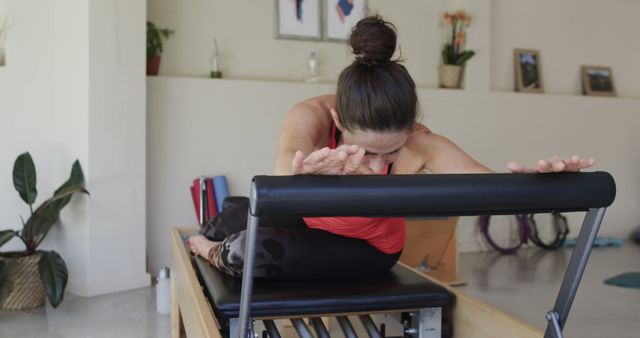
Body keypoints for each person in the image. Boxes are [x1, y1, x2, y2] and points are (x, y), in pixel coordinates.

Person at [188, 15, 594, 279]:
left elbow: (494, 191)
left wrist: (545, 184)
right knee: (221, 223)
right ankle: (212, 243)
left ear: (411, 128)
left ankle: (212, 252)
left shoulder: (422, 142)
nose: (378, 163)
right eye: (366, 152)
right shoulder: (310, 114)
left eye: (392, 153)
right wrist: (303, 172)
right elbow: (280, 175)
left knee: (246, 251)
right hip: (308, 222)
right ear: (338, 122)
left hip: (368, 248)